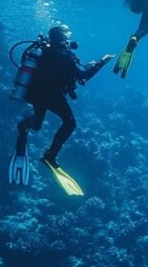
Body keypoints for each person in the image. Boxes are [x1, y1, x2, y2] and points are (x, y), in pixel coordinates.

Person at [9, 25, 112, 195]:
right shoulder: (64, 55)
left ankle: (23, 126)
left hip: (35, 93)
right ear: (62, 38)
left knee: (36, 125)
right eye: (67, 35)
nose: (70, 38)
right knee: (70, 123)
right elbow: (82, 75)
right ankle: (50, 156)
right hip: (51, 95)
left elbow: (73, 69)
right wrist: (102, 62)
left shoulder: (44, 50)